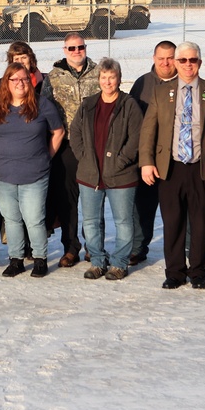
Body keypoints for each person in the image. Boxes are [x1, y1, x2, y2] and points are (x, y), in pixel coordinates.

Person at [139, 41, 205, 290]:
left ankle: (198, 271)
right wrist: (147, 162)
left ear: (200, 63)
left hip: (203, 167)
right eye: (183, 60)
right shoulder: (161, 93)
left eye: (193, 60)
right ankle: (174, 272)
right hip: (170, 167)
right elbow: (149, 130)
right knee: (172, 222)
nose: (188, 64)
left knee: (201, 221)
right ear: (176, 63)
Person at [70, 58, 143, 281]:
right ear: (98, 79)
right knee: (91, 221)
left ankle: (119, 263)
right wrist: (84, 158)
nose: (108, 81)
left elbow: (136, 138)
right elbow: (75, 133)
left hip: (121, 175)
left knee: (123, 221)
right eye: (104, 77)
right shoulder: (88, 104)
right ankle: (98, 262)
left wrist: (120, 161)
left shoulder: (129, 104)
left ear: (119, 79)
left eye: (112, 77)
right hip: (90, 174)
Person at [0, 63, 65, 278]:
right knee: (12, 218)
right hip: (3, 173)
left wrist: (46, 156)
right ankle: (16, 259)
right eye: (14, 79)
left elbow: (58, 132)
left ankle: (40, 259)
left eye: (23, 79)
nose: (20, 83)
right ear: (7, 82)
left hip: (35, 173)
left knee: (34, 218)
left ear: (30, 81)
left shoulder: (42, 105)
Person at [41, 32, 100, 268]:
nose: (77, 52)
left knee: (93, 199)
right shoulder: (53, 77)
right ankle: (71, 247)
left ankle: (93, 246)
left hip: (93, 145)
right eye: (72, 48)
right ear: (64, 51)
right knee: (68, 199)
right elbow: (45, 111)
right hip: (65, 146)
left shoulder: (99, 73)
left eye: (80, 47)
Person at [127, 40, 177, 265]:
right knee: (143, 207)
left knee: (176, 207)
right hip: (147, 157)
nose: (166, 63)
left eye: (170, 57)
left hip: (176, 157)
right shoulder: (142, 83)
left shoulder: (185, 81)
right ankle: (138, 247)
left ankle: (183, 249)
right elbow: (130, 118)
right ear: (154, 58)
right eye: (161, 58)